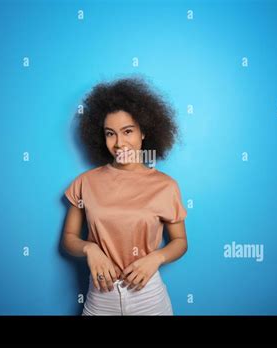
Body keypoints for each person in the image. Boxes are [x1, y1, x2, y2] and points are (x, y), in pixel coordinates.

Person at [62, 77, 188, 315]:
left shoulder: (166, 186)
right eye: (111, 133)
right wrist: (91, 249)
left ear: (143, 132)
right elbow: (69, 238)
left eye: (127, 131)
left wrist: (156, 258)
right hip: (101, 298)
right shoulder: (85, 183)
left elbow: (180, 242)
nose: (119, 143)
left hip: (149, 299)